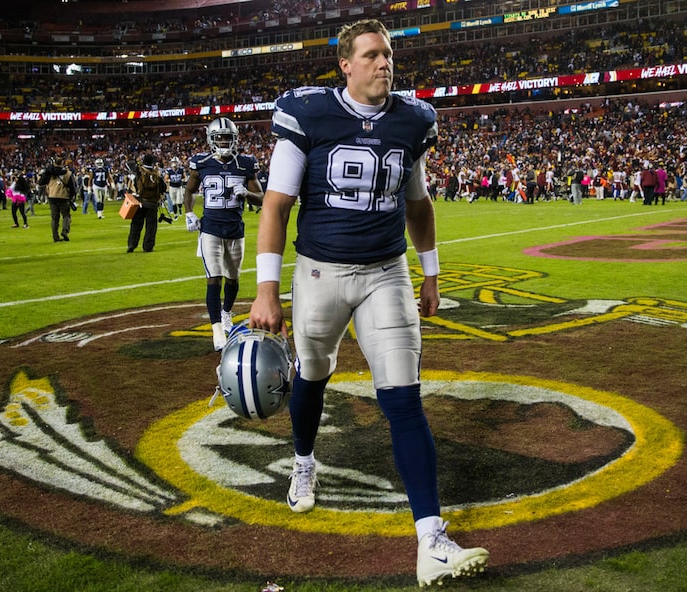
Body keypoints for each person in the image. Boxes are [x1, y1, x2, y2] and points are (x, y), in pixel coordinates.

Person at [248, 18, 488, 588]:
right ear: (345, 65)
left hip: (387, 273)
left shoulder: (412, 118)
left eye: (388, 54)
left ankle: (430, 539)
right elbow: (276, 206)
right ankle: (304, 464)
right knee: (312, 378)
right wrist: (264, 288)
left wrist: (430, 274)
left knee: (404, 399)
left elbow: (420, 203)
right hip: (319, 273)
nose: (385, 63)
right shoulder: (307, 113)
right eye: (373, 55)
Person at [184, 117, 264, 351]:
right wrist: (189, 213)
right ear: (211, 139)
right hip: (209, 228)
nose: (223, 141)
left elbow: (263, 198)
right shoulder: (202, 162)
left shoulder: (246, 163)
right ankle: (217, 329)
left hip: (235, 230)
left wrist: (246, 194)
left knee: (233, 278)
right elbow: (189, 190)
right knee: (213, 277)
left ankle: (226, 313)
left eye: (227, 137)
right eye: (219, 137)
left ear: (235, 139)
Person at [127, 154, 166, 253]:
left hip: (140, 202)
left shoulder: (139, 173)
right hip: (152, 204)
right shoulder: (157, 175)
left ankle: (132, 244)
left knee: (136, 225)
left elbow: (129, 165)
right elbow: (163, 188)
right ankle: (148, 247)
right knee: (151, 227)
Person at [38, 156, 76, 242]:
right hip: (64, 197)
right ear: (62, 163)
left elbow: (41, 183)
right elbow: (72, 187)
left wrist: (46, 172)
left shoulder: (50, 172)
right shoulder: (68, 173)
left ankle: (55, 237)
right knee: (66, 216)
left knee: (55, 218)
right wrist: (72, 197)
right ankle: (65, 231)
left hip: (52, 196)